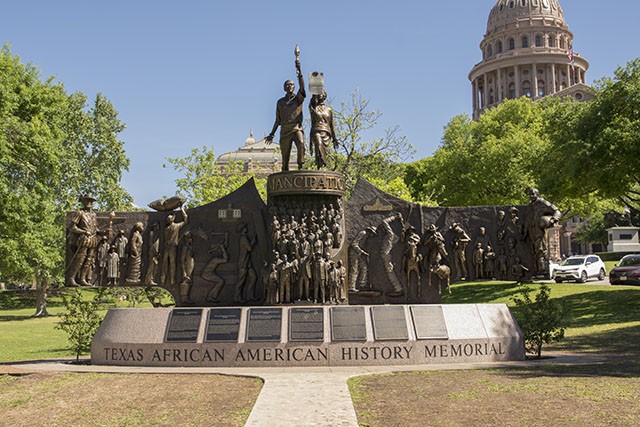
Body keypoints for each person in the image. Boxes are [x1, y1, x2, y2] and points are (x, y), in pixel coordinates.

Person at [265, 56, 306, 171]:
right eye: (287, 85)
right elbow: (277, 120)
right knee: (285, 155)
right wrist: (272, 134)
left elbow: (302, 87)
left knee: (301, 143)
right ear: (284, 88)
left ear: (294, 87)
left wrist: (299, 71)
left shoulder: (298, 99)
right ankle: (285, 171)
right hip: (284, 129)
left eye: (292, 84)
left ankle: (301, 166)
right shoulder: (280, 102)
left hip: (296, 127)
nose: (290, 86)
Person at [523, 188, 561, 277]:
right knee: (533, 250)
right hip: (531, 230)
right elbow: (527, 220)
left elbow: (557, 212)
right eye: (530, 194)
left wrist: (553, 220)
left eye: (533, 194)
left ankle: (543, 270)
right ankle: (536, 270)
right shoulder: (529, 206)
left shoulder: (543, 203)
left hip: (539, 229)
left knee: (540, 249)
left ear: (537, 194)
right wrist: (524, 231)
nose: (531, 196)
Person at [67, 194, 103, 287]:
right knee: (80, 259)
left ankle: (82, 279)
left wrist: (102, 232)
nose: (89, 203)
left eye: (91, 201)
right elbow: (72, 227)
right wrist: (83, 231)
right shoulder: (80, 213)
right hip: (83, 239)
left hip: (93, 239)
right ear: (83, 202)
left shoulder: (93, 215)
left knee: (89, 260)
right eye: (87, 201)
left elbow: (95, 228)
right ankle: (71, 278)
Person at [160, 207, 189, 286]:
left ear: (172, 220)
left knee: (170, 263)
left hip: (172, 247)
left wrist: (182, 210)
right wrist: (181, 211)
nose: (167, 220)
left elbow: (186, 220)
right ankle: (165, 280)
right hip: (168, 247)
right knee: (166, 264)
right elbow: (185, 220)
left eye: (169, 219)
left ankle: (170, 280)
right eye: (167, 219)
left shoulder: (175, 226)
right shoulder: (168, 228)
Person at [309, 91, 338, 169]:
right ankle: (319, 166)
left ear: (325, 96)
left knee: (324, 151)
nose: (320, 95)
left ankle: (323, 165)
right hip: (317, 130)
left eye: (322, 94)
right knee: (318, 145)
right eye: (319, 94)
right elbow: (312, 99)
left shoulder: (329, 110)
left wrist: (335, 139)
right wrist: (316, 85)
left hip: (327, 133)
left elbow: (332, 125)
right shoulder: (314, 107)